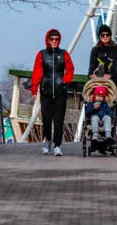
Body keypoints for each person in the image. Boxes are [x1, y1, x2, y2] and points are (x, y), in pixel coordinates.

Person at [31, 28, 75, 156]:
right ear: (48, 40)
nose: (54, 41)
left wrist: (65, 81)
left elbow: (70, 70)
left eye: (56, 39)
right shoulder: (41, 54)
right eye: (52, 39)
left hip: (60, 91)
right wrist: (34, 91)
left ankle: (57, 145)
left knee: (59, 119)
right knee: (46, 118)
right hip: (46, 91)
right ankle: (47, 140)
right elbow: (37, 72)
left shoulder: (64, 54)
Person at [88, 24, 117, 104]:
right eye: (102, 35)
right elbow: (92, 64)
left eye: (107, 35)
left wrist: (110, 74)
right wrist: (90, 74)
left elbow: (115, 63)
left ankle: (113, 104)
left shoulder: (116, 48)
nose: (105, 37)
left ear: (110, 36)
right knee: (91, 92)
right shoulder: (95, 50)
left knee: (111, 97)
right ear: (99, 36)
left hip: (111, 77)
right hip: (98, 76)